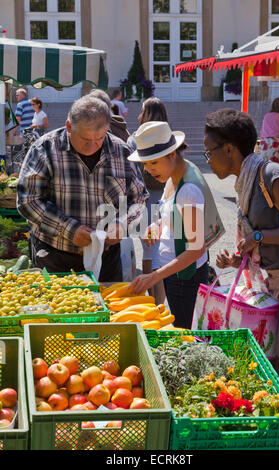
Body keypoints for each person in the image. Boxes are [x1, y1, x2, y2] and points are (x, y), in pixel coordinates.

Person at [204, 108, 279, 406]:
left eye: (209, 151)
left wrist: (258, 237)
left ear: (230, 149)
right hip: (270, 288)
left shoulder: (270, 176)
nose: (208, 159)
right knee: (273, 369)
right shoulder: (246, 181)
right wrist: (238, 260)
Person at [17, 95, 148, 282]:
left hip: (107, 259)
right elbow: (28, 200)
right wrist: (68, 229)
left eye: (100, 138)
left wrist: (123, 224)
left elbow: (139, 199)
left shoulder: (122, 151)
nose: (92, 146)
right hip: (56, 257)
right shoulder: (45, 149)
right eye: (85, 139)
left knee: (106, 308)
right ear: (69, 127)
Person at [128, 121, 225, 329]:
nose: (147, 169)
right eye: (145, 163)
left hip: (184, 278)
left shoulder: (188, 190)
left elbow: (195, 249)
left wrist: (154, 276)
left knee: (185, 332)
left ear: (172, 154)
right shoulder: (177, 173)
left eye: (153, 162)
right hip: (176, 273)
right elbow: (168, 213)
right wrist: (157, 225)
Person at [127, 97, 169, 304]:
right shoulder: (168, 136)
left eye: (141, 111)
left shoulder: (135, 139)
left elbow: (131, 174)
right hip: (166, 197)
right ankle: (160, 303)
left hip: (143, 199)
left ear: (147, 114)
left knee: (149, 250)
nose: (138, 115)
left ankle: (153, 302)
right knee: (160, 249)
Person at [258, 97, 279, 165]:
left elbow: (262, 132)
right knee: (277, 171)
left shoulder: (266, 116)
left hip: (264, 145)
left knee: (264, 169)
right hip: (277, 147)